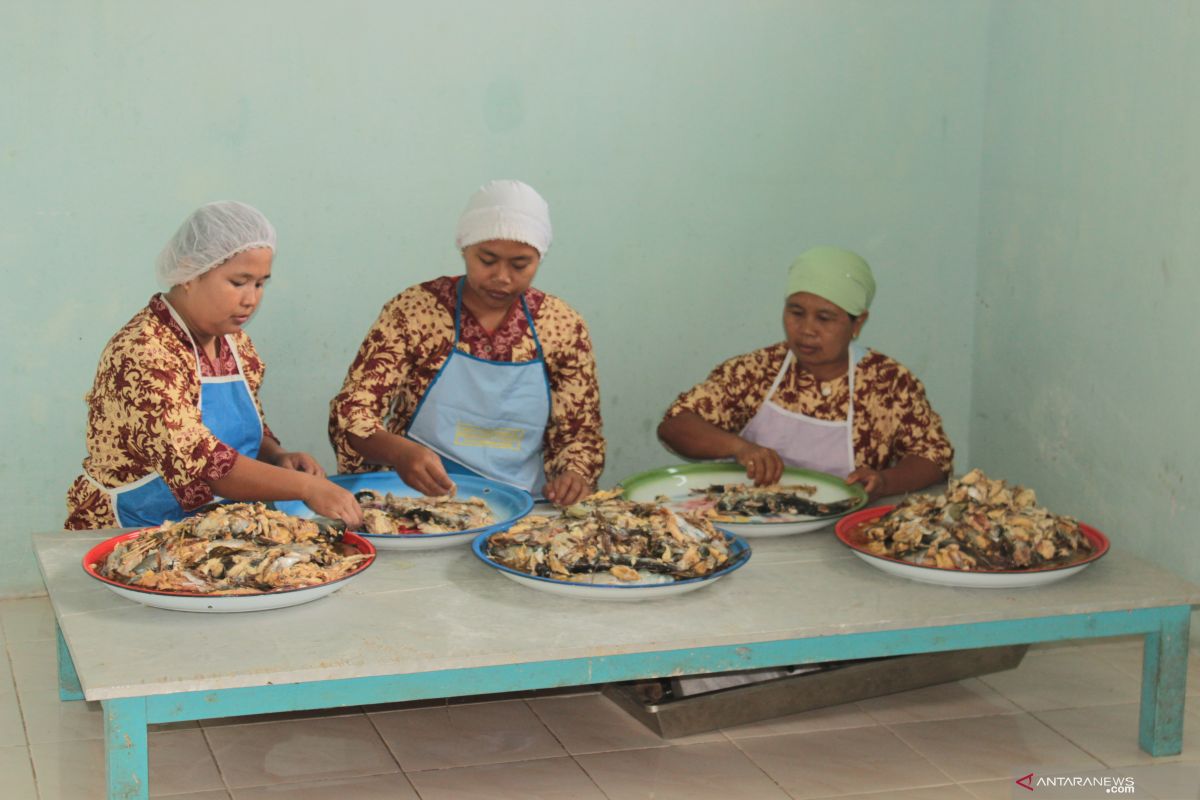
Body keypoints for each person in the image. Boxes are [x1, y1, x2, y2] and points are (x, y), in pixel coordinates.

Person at [65, 201, 363, 529]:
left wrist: (277, 456)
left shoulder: (235, 342)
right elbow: (203, 462)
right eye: (239, 282)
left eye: (261, 283)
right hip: (135, 530)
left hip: (215, 529)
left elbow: (239, 429)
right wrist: (306, 487)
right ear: (190, 271)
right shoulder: (143, 353)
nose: (250, 299)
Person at [329, 180, 604, 505]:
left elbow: (578, 431)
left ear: (539, 259)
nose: (502, 276)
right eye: (487, 260)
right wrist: (398, 452)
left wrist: (574, 473)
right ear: (464, 248)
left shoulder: (561, 325)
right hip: (416, 497)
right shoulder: (416, 312)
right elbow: (353, 409)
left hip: (523, 504)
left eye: (520, 264)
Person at [658, 246, 952, 497]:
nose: (807, 330)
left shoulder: (887, 384)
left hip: (849, 531)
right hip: (754, 523)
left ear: (858, 323)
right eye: (796, 313)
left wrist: (885, 482)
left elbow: (934, 458)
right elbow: (675, 425)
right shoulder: (757, 371)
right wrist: (739, 447)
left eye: (825, 318)